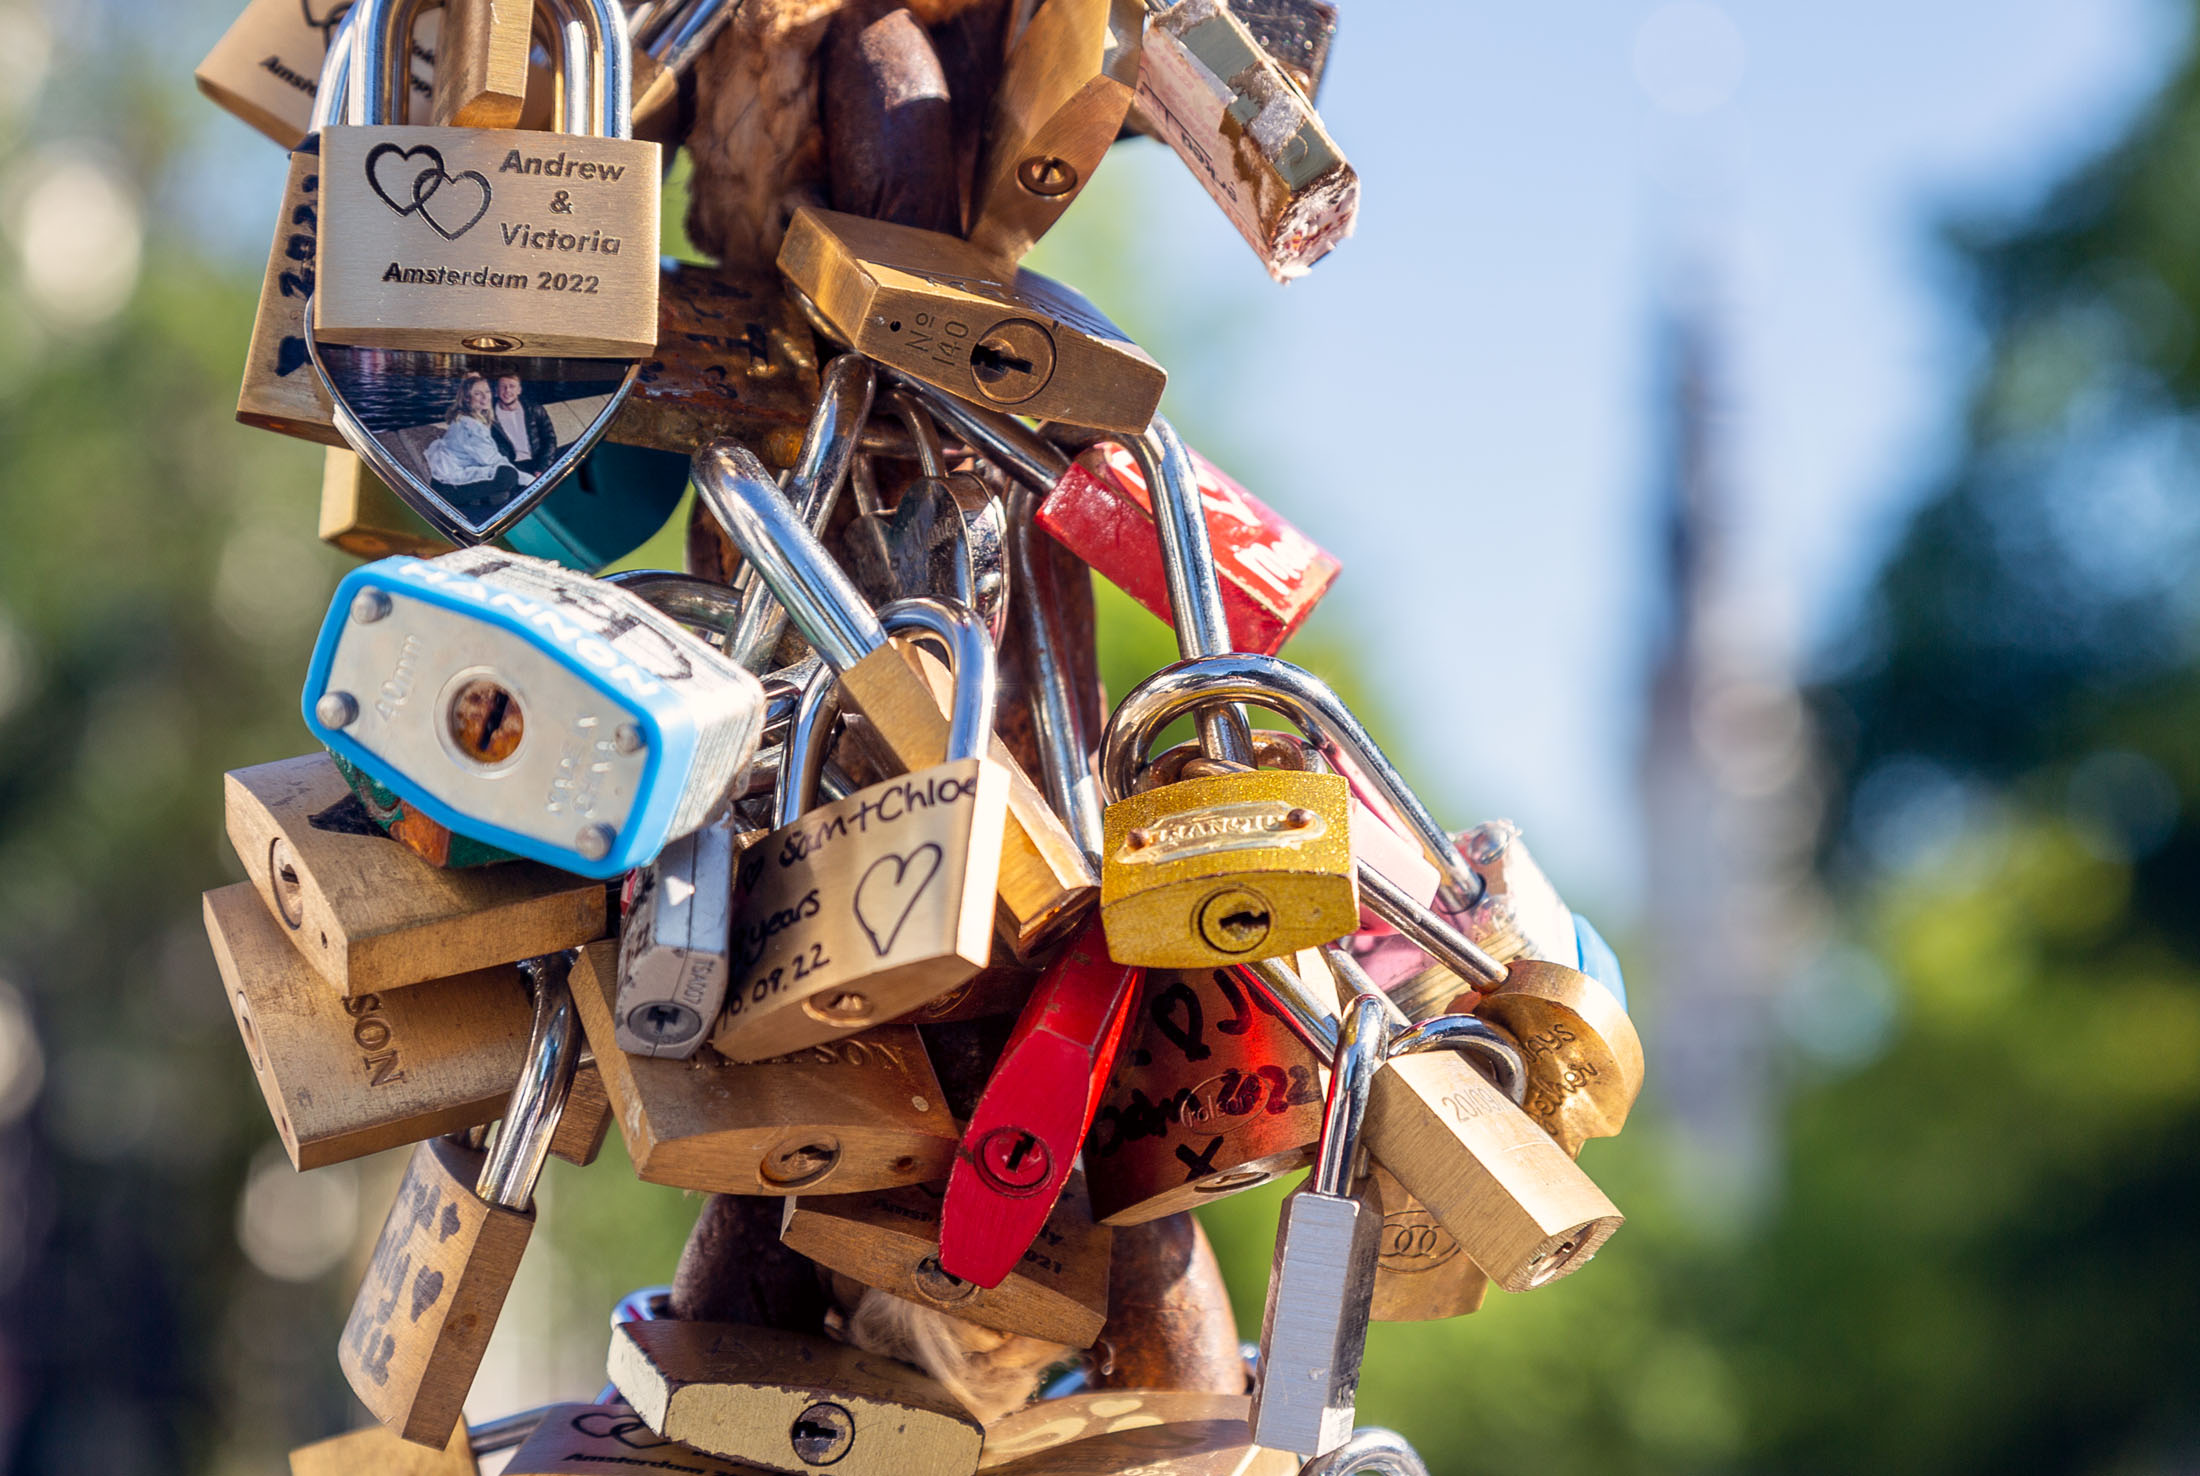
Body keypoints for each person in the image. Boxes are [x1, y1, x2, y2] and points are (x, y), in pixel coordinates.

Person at [424, 373, 521, 502]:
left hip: (454, 475)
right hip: (449, 487)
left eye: (487, 391)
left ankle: (481, 499)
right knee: (508, 476)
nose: (485, 397)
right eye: (477, 393)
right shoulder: (469, 424)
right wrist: (530, 481)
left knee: (507, 476)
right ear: (467, 398)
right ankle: (463, 499)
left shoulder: (472, 418)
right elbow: (491, 460)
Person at [489, 372, 559, 476]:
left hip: (536, 462)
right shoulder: (489, 416)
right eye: (503, 387)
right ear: (496, 391)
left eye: (512, 386)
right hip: (510, 467)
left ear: (519, 390)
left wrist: (542, 468)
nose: (507, 390)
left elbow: (549, 439)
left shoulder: (535, 409)